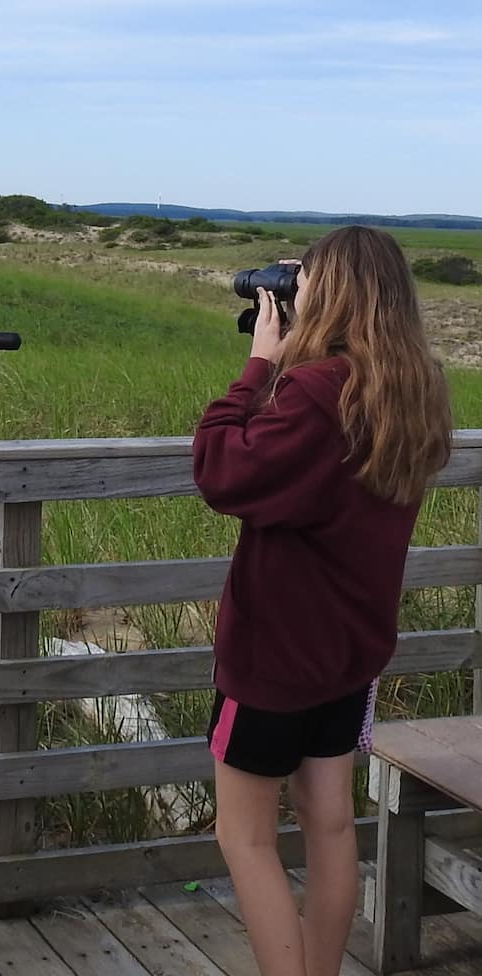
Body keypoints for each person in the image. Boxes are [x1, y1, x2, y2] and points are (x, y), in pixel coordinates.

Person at [193, 226, 451, 976]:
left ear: (330, 294)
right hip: (350, 650)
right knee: (331, 825)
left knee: (244, 838)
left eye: (303, 281)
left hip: (274, 654)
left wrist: (257, 368)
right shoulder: (411, 386)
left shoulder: (313, 391)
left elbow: (223, 472)